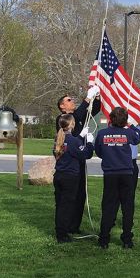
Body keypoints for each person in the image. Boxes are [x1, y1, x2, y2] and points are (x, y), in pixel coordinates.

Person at [94, 107, 140, 249]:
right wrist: (132, 126)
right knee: (127, 206)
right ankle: (127, 239)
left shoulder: (102, 133)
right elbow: (137, 138)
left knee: (108, 206)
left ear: (111, 119)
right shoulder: (128, 133)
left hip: (110, 174)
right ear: (125, 120)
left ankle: (104, 239)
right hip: (127, 174)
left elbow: (99, 151)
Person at [55, 85, 100, 233]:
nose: (72, 100)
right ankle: (65, 226)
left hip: (78, 159)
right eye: (69, 100)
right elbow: (78, 115)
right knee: (68, 198)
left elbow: (93, 110)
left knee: (80, 194)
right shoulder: (61, 119)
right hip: (70, 161)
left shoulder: (78, 115)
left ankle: (75, 226)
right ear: (62, 106)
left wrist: (96, 97)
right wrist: (87, 97)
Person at [53, 114, 94, 243]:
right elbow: (86, 154)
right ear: (72, 125)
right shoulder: (73, 141)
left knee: (60, 205)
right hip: (70, 177)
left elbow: (70, 149)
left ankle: (60, 230)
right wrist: (90, 143)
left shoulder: (58, 139)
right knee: (67, 207)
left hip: (58, 176)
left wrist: (81, 137)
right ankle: (63, 235)